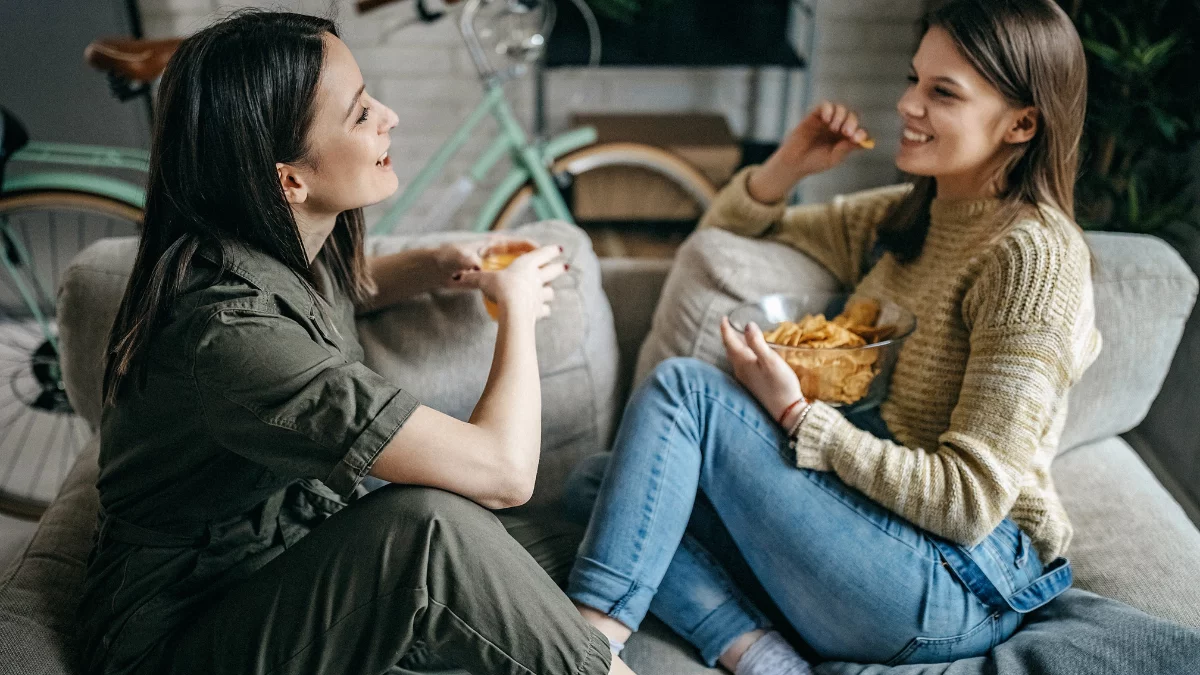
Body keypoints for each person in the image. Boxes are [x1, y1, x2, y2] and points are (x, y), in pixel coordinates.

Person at [76, 11, 632, 675]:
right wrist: (515, 312)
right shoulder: (228, 334)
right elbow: (503, 472)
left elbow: (340, 295)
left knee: (594, 543)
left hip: (288, 559)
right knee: (430, 529)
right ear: (290, 178)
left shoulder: (280, 240)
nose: (389, 117)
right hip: (180, 635)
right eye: (361, 112)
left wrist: (433, 266)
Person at [561, 0, 1101, 672]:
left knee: (686, 393)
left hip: (960, 578)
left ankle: (584, 654)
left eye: (942, 92)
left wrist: (796, 413)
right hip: (873, 529)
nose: (906, 104)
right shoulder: (912, 216)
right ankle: (757, 653)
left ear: (1022, 122)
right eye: (913, 79)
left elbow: (968, 502)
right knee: (599, 485)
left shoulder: (1032, 257)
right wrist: (787, 165)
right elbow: (721, 240)